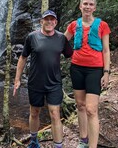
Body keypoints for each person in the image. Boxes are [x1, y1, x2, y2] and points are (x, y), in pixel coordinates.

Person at [13, 10, 73, 148]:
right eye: (47, 19)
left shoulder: (61, 38)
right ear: (41, 21)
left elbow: (71, 55)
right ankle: (34, 141)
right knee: (34, 112)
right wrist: (17, 79)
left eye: (52, 20)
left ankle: (58, 146)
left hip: (54, 83)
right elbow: (23, 58)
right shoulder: (32, 37)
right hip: (35, 82)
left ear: (56, 22)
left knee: (55, 113)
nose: (49, 22)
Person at [64, 0, 111, 148]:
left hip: (95, 70)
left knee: (91, 109)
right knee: (80, 105)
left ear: (94, 8)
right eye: (85, 4)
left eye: (91, 4)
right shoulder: (73, 25)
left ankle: (93, 145)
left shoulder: (102, 25)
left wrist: (106, 72)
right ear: (80, 6)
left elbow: (106, 50)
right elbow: (61, 42)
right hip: (76, 68)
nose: (88, 7)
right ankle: (83, 140)